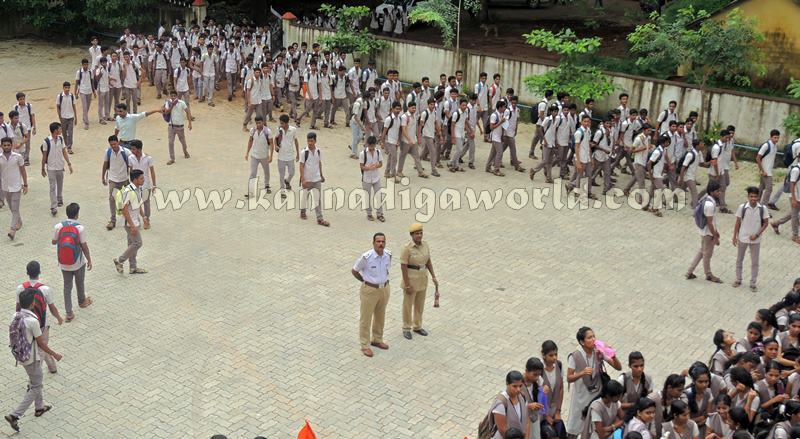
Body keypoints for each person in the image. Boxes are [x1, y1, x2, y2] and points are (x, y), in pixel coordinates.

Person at [5, 288, 63, 432]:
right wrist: (54, 354)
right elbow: (41, 343)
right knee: (36, 386)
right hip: (32, 359)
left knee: (36, 381)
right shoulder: (32, 321)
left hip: (21, 356)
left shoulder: (16, 316)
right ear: (32, 304)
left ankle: (39, 407)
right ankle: (15, 415)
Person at [565, 327, 622, 437]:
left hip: (595, 395)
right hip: (580, 398)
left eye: (593, 336)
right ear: (582, 342)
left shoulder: (598, 351)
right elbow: (569, 378)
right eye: (589, 337)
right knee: (575, 426)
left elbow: (618, 367)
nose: (593, 339)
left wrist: (612, 355)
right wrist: (582, 373)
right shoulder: (575, 356)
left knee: (592, 429)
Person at [351, 232, 391, 358]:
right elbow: (354, 270)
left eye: (383, 241)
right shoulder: (366, 257)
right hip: (369, 290)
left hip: (384, 288)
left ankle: (377, 339)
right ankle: (365, 345)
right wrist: (364, 281)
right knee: (366, 318)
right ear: (373, 243)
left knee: (380, 315)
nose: (381, 244)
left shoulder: (388, 255)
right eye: (378, 241)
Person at [52, 202, 92, 322]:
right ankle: (82, 301)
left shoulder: (58, 226)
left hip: (64, 263)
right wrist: (89, 259)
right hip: (78, 262)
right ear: (77, 214)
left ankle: (69, 313)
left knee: (67, 287)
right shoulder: (80, 228)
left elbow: (53, 242)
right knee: (80, 283)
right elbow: (84, 245)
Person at [400, 223, 438, 340]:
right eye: (417, 234)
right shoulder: (407, 248)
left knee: (419, 305)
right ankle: (406, 328)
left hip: (422, 279)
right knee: (408, 305)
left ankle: (417, 326)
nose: (419, 235)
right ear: (412, 235)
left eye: (421, 233)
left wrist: (433, 276)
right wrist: (407, 285)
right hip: (411, 281)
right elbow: (403, 266)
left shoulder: (425, 245)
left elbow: (428, 261)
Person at [732, 187, 770, 292]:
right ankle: (738, 279)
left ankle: (753, 283)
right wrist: (734, 236)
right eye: (751, 196)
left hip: (755, 240)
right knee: (739, 259)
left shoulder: (762, 208)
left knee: (755, 262)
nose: (753, 199)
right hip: (742, 238)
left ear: (758, 197)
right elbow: (738, 222)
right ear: (748, 197)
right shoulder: (742, 207)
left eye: (755, 196)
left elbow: (766, 223)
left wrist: (757, 235)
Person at [686, 180, 722, 283]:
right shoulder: (710, 205)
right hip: (708, 233)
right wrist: (715, 236)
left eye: (719, 191)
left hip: (705, 232)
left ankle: (689, 272)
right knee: (707, 254)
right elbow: (710, 222)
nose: (719, 193)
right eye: (717, 191)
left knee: (702, 252)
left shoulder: (706, 199)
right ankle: (709, 275)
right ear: (711, 192)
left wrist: (716, 232)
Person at [114, 169, 147, 274]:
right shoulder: (128, 191)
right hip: (129, 223)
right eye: (141, 178)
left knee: (132, 245)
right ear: (135, 179)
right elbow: (124, 210)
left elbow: (138, 204)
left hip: (135, 221)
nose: (143, 180)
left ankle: (133, 267)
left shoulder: (138, 189)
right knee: (138, 243)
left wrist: (144, 217)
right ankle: (119, 260)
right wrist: (132, 226)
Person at [485, 371, 531, 439]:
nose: (518, 389)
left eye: (520, 386)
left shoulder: (522, 397)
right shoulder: (501, 403)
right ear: (507, 384)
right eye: (514, 386)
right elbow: (503, 430)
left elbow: (527, 420)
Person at [41, 122, 73, 217]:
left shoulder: (61, 139)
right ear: (55, 130)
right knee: (52, 186)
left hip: (59, 166)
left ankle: (59, 198)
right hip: (50, 167)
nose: (61, 130)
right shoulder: (46, 141)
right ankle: (53, 206)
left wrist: (69, 164)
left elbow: (64, 151)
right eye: (59, 129)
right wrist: (42, 168)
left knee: (60, 184)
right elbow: (44, 156)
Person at [771, 142, 800, 244]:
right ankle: (795, 236)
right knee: (795, 215)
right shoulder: (796, 170)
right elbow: (792, 184)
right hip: (796, 196)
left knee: (793, 213)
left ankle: (776, 223)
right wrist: (793, 198)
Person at [299, 132, 329, 226]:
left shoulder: (318, 151)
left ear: (315, 141)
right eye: (308, 141)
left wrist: (321, 175)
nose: (310, 143)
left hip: (316, 179)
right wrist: (303, 179)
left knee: (317, 199)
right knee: (305, 197)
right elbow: (301, 166)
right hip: (307, 179)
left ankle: (319, 218)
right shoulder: (304, 152)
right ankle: (303, 211)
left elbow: (319, 163)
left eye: (311, 141)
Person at [1, 137, 28, 240]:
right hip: (5, 187)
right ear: (1, 146)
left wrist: (25, 184)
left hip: (16, 186)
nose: (7, 147)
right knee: (12, 208)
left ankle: (12, 230)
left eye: (8, 145)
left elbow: (23, 171)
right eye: (5, 145)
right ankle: (19, 221)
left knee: (15, 208)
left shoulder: (18, 157)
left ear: (11, 145)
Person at [127, 140, 156, 229]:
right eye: (131, 149)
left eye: (133, 149)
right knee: (136, 203)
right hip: (135, 186)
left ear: (139, 149)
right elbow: (130, 172)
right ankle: (138, 219)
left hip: (146, 184)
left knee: (146, 203)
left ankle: (147, 220)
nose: (132, 151)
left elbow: (152, 172)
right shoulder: (130, 158)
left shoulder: (148, 158)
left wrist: (154, 185)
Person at [163, 90, 193, 165]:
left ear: (176, 96)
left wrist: (190, 123)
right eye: (172, 96)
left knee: (183, 141)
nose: (173, 97)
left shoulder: (182, 103)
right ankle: (172, 158)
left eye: (174, 96)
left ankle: (185, 151)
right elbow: (166, 112)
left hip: (180, 126)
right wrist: (172, 105)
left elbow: (188, 112)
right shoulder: (168, 103)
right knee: (170, 142)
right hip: (171, 126)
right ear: (170, 96)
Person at [244, 116, 272, 198]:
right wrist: (247, 153)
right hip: (254, 156)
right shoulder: (253, 130)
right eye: (257, 123)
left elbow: (271, 143)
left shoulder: (268, 131)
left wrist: (271, 155)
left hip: (264, 156)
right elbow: (250, 141)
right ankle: (251, 192)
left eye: (259, 123)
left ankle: (267, 185)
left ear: (263, 122)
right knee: (253, 174)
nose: (258, 124)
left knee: (266, 172)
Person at [360, 136, 384, 222]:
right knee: (367, 196)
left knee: (379, 195)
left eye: (372, 146)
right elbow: (361, 167)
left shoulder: (378, 152)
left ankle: (380, 214)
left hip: (376, 177)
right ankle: (369, 214)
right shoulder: (363, 154)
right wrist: (368, 168)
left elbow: (381, 164)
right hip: (366, 178)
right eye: (370, 146)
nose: (371, 148)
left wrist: (376, 166)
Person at [522, 358, 546, 439]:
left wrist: (544, 390)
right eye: (534, 375)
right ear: (526, 371)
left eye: (539, 375)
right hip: (522, 420)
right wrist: (528, 406)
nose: (537, 377)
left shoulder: (539, 381)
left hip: (534, 418)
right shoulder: (518, 385)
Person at [756, 130, 780, 206]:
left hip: (768, 170)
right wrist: (762, 170)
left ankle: (757, 203)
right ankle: (763, 206)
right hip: (766, 172)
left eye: (777, 138)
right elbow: (758, 158)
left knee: (761, 188)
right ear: (771, 137)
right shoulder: (766, 145)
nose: (776, 139)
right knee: (769, 189)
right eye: (775, 137)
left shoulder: (775, 146)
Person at [55, 82, 76, 154]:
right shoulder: (59, 96)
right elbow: (57, 106)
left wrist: (75, 116)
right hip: (63, 117)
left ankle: (69, 147)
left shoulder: (72, 96)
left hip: (71, 117)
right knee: (63, 132)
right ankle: (66, 144)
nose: (67, 89)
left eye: (68, 88)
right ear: (63, 88)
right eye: (66, 88)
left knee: (70, 133)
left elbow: (74, 106)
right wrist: (59, 116)